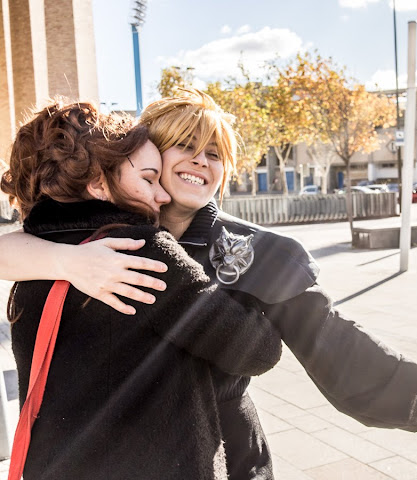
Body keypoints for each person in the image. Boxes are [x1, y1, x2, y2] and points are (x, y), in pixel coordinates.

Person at [0, 89, 417, 479]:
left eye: (214, 153)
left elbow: (330, 337)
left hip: (221, 454)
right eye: (184, 147)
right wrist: (68, 261)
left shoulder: (259, 250)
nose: (201, 161)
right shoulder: (86, 236)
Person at [0, 100, 281, 479]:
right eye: (149, 179)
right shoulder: (139, 251)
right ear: (99, 183)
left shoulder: (34, 255)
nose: (162, 195)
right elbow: (258, 351)